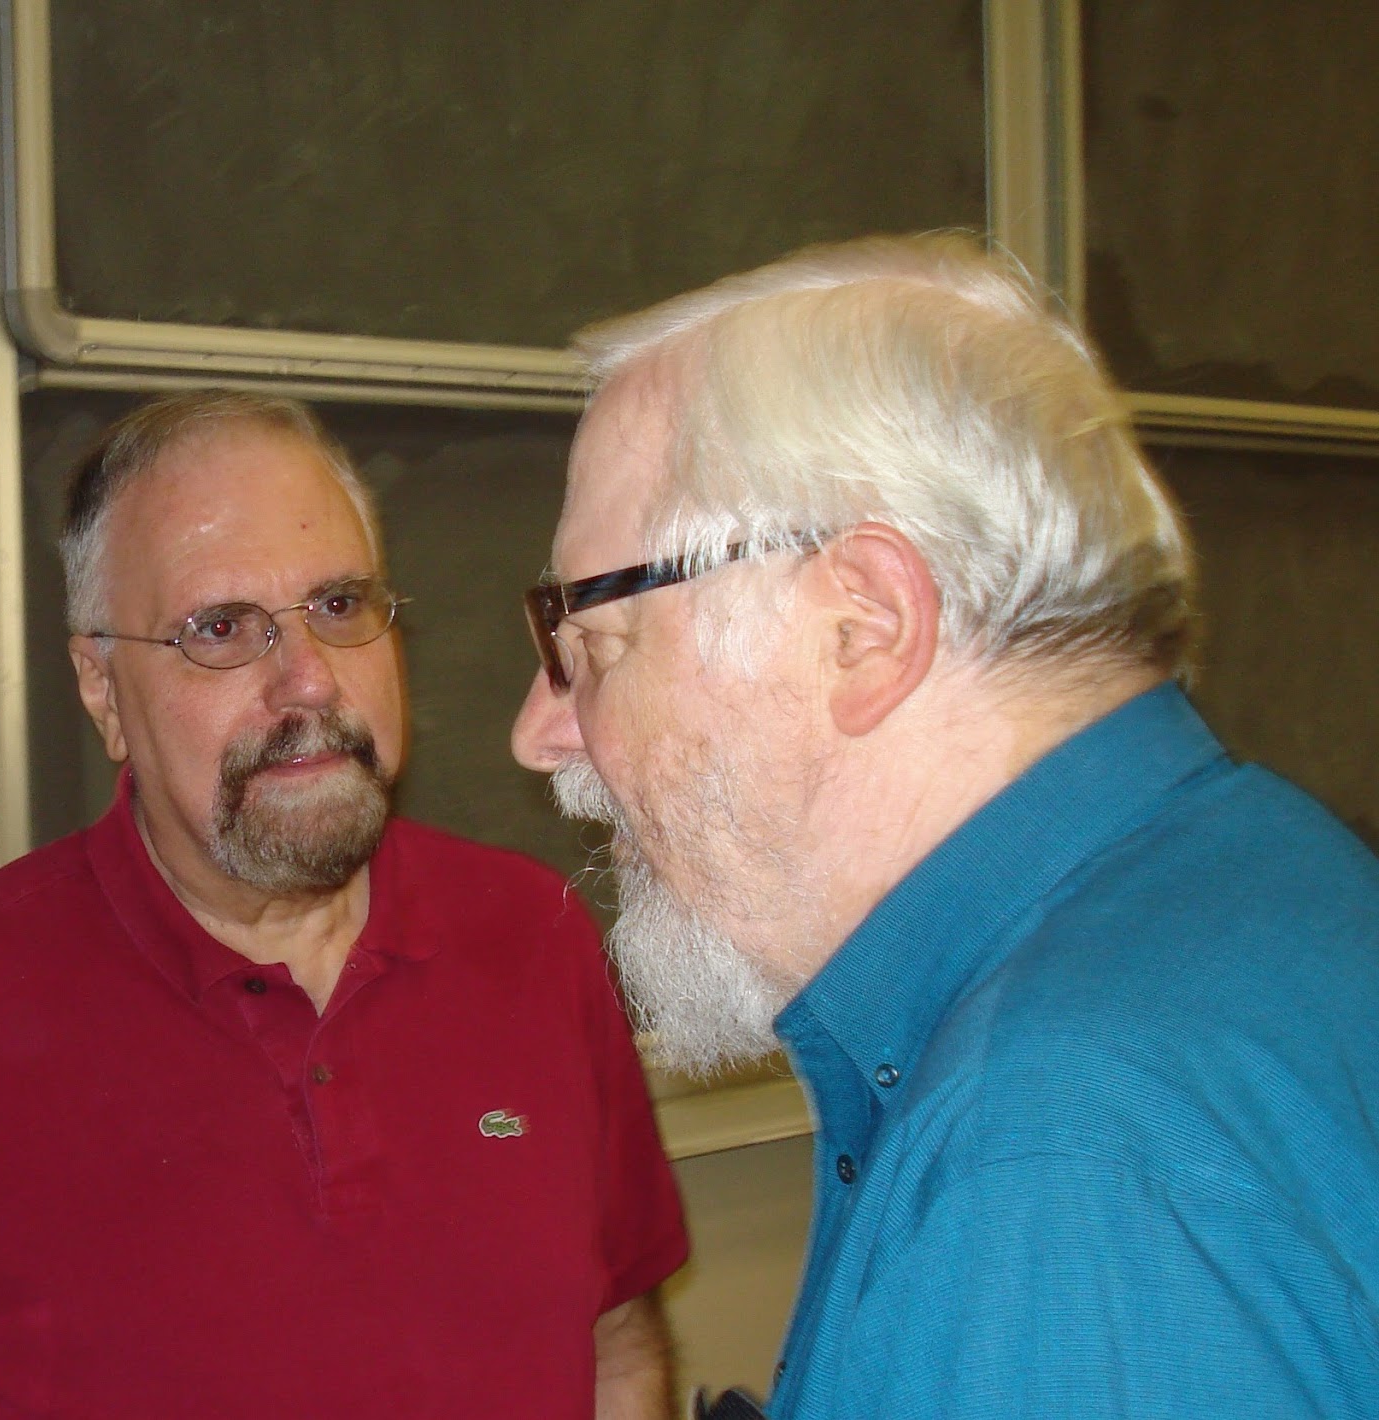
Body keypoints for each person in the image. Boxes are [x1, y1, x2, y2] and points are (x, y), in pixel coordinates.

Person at [0, 390, 690, 1419]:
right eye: (220, 628)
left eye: (339, 605)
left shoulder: (532, 932)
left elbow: (613, 1331)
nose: (309, 679)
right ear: (101, 689)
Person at [512, 232, 1379, 1417]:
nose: (541, 733)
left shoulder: (1055, 1169)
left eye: (593, 645)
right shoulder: (1267, 868)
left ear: (860, 627)